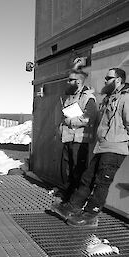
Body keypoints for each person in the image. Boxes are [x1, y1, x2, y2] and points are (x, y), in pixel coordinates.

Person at [52, 67, 129, 228]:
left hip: (115, 147)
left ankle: (90, 215)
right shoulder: (111, 98)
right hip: (103, 146)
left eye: (108, 78)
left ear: (118, 80)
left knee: (102, 182)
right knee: (88, 178)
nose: (105, 81)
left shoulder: (126, 98)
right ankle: (74, 206)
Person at [58, 69, 97, 202]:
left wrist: (70, 121)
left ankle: (77, 200)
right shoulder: (70, 97)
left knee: (78, 170)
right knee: (67, 169)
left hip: (80, 140)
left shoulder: (88, 98)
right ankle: (68, 196)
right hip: (68, 138)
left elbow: (88, 118)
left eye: (70, 80)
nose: (68, 82)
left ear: (78, 81)